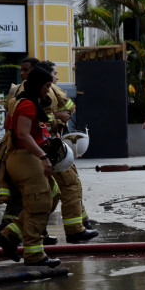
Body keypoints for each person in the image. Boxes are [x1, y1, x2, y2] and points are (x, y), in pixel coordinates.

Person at [0, 67, 61, 267]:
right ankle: (34, 255)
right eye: (47, 86)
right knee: (39, 205)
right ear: (38, 85)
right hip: (26, 158)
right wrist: (43, 156)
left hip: (25, 157)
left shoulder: (23, 103)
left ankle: (10, 235)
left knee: (51, 196)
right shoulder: (27, 105)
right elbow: (23, 134)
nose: (48, 91)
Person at [37, 60, 98, 244]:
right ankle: (74, 230)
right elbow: (37, 120)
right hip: (48, 146)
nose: (57, 77)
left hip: (48, 146)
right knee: (68, 187)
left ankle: (82, 221)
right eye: (54, 74)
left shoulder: (48, 91)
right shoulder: (44, 93)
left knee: (63, 187)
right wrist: (57, 117)